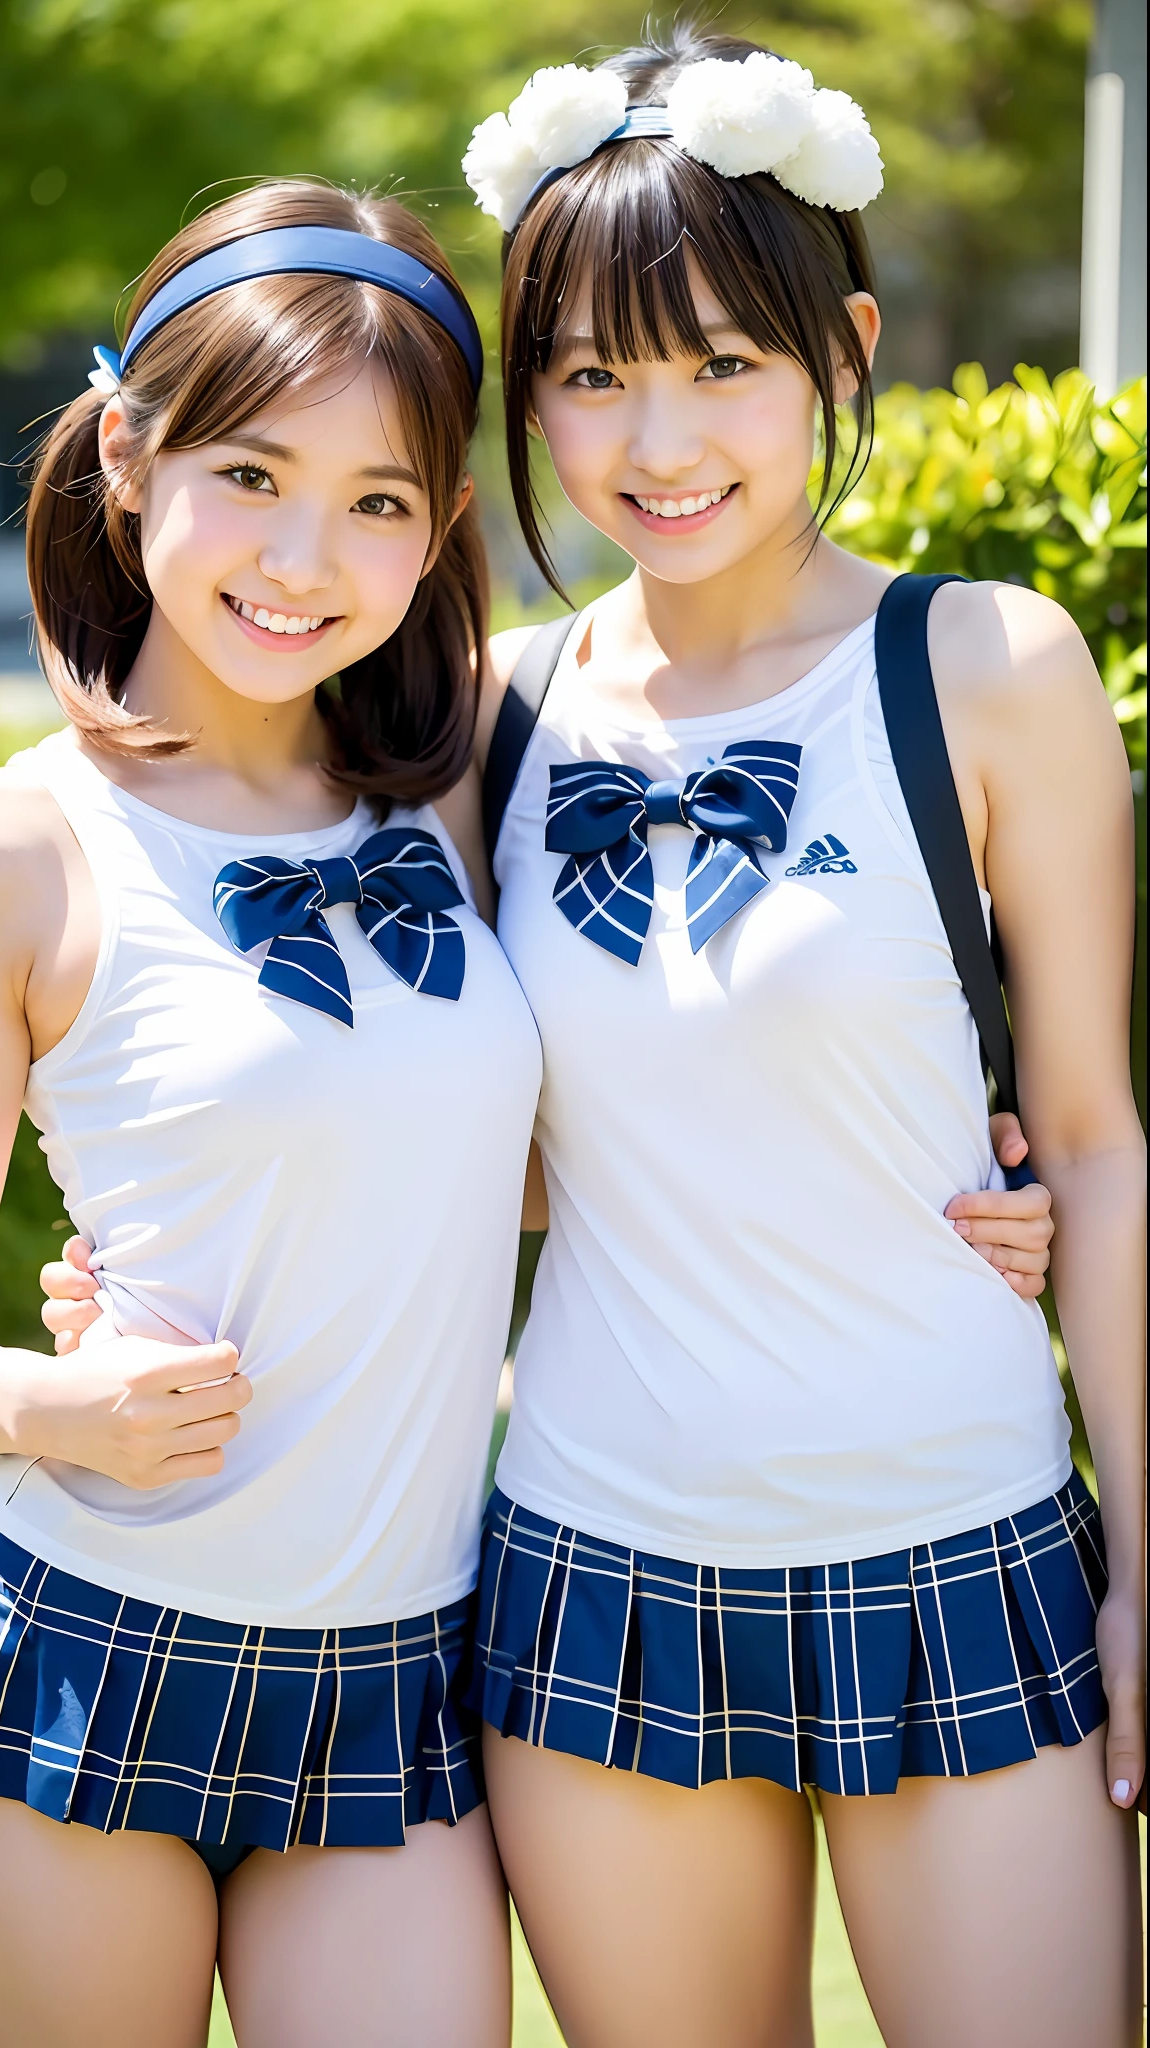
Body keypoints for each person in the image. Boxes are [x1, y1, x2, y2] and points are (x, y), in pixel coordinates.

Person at [455, 27, 1143, 2048]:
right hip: (599, 1565)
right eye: (587, 373)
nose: (651, 439)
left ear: (837, 348)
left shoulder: (985, 667)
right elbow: (408, 1130)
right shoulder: (482, 718)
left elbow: (1092, 1139)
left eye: (716, 362)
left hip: (957, 1542)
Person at [0, 181, 544, 2048]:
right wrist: (43, 1395)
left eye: (376, 503)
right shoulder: (5, 850)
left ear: (440, 535)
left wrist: (966, 1166)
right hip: (88, 1656)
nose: (302, 556)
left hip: (396, 1679)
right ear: (132, 457)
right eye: (249, 474)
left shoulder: (472, 786)